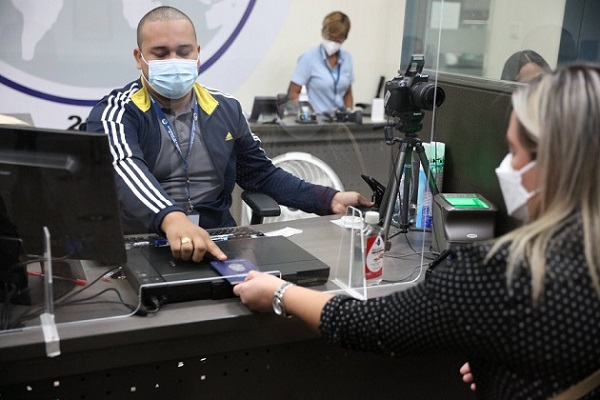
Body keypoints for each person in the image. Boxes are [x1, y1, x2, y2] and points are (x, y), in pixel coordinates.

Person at [234, 65, 600, 399]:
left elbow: (367, 325)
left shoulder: (505, 276)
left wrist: (279, 292)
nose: (507, 165)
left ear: (551, 165)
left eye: (514, 151)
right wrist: (511, 366)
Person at [85, 6, 371, 262]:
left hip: (218, 237)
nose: (174, 60)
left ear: (197, 54)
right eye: (160, 53)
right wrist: (172, 219)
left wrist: (326, 199)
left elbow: (261, 174)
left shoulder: (225, 108)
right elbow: (124, 168)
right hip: (145, 242)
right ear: (139, 57)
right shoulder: (117, 111)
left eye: (183, 52)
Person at [287, 11, 354, 114]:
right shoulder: (309, 58)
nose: (333, 43)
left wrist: (349, 112)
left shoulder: (347, 58)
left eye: (338, 41)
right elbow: (293, 93)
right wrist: (305, 115)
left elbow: (348, 93)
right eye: (330, 38)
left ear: (344, 38)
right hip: (316, 121)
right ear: (323, 32)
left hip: (339, 121)